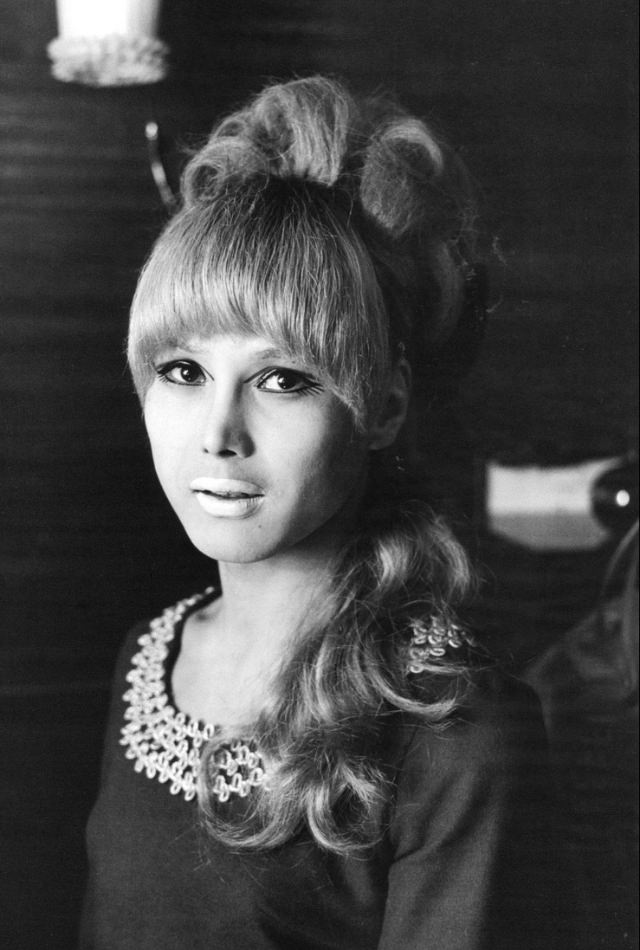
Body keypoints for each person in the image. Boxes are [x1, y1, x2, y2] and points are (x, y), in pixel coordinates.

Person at [80, 76, 563, 949]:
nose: (219, 434)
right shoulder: (148, 656)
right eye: (183, 372)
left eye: (284, 379)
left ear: (381, 408)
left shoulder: (458, 735)